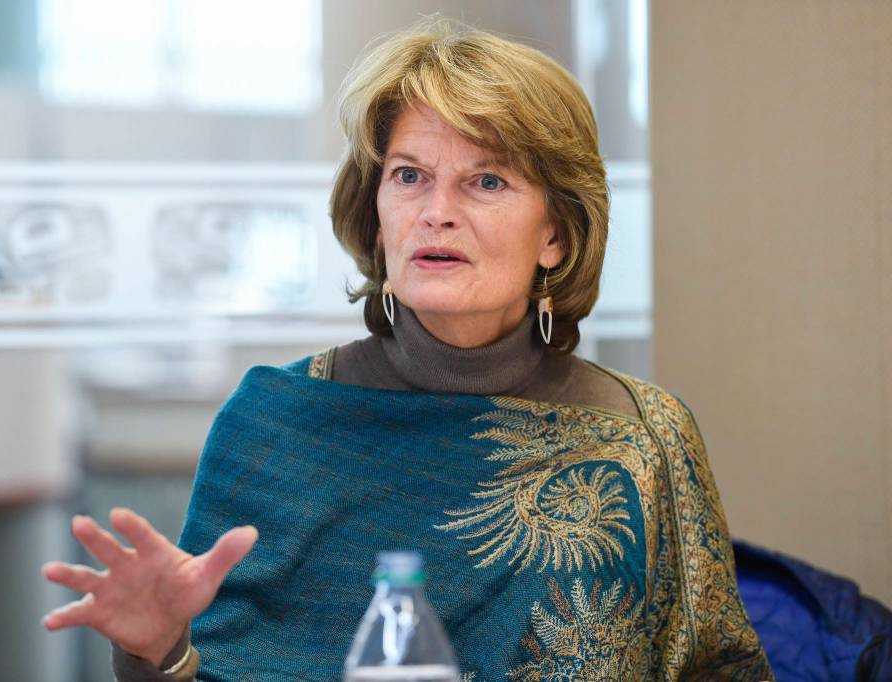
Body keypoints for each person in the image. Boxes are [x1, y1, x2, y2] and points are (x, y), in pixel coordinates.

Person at [43, 19, 774, 681]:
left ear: (555, 233)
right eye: (410, 176)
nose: (437, 212)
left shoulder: (645, 436)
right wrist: (159, 653)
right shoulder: (273, 424)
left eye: (486, 180)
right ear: (376, 214)